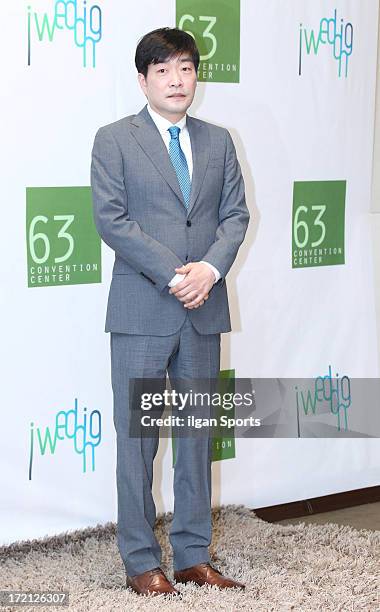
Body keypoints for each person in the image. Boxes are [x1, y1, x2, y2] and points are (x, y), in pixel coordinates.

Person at [90, 27, 250, 598]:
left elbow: (235, 217)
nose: (176, 80)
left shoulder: (219, 141)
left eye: (185, 68)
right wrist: (177, 273)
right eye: (163, 70)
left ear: (196, 76)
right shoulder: (114, 139)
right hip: (141, 311)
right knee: (137, 442)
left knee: (196, 439)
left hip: (203, 311)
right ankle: (140, 562)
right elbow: (112, 220)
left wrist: (209, 269)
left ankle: (191, 556)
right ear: (143, 79)